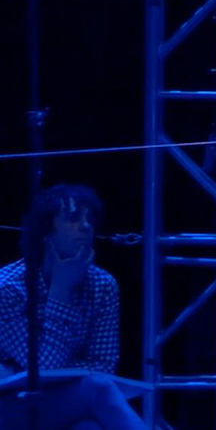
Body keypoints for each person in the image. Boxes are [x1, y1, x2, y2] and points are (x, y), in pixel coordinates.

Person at [0, 184, 147, 430]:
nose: (86, 226)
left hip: (65, 401)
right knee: (97, 389)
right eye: (73, 218)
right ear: (45, 231)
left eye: (90, 220)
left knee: (89, 427)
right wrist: (61, 291)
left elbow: (102, 365)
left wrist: (20, 369)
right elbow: (44, 368)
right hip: (11, 405)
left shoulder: (103, 285)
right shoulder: (7, 289)